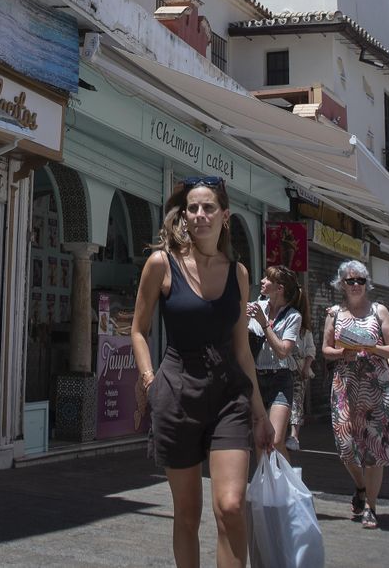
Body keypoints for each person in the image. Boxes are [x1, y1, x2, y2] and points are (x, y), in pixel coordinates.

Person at [132, 177, 273, 568]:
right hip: (176, 391)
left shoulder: (239, 274)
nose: (199, 215)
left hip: (228, 394)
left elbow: (242, 349)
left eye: (208, 207)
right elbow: (138, 330)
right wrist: (149, 379)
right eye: (192, 208)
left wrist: (260, 414)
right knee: (188, 515)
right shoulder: (162, 264)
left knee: (230, 506)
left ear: (224, 216)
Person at [322, 258, 389, 530]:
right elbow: (325, 350)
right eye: (350, 281)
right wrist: (344, 352)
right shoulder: (333, 313)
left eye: (360, 280)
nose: (355, 285)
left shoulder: (379, 311)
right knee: (346, 448)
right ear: (341, 284)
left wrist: (372, 347)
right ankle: (360, 486)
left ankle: (371, 507)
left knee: (374, 450)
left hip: (376, 388)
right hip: (345, 387)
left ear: (367, 284)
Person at [246, 264, 305, 460]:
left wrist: (264, 323)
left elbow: (282, 351)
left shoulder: (293, 316)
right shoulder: (258, 306)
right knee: (260, 441)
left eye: (267, 279)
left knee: (277, 439)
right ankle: (265, 486)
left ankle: (287, 486)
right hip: (256, 379)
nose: (262, 281)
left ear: (279, 288)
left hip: (280, 379)